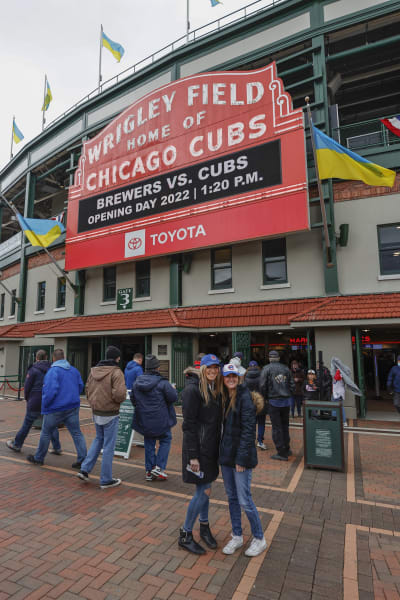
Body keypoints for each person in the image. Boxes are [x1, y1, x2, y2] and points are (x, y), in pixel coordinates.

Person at [219, 363, 267, 558]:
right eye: (227, 376)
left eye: (233, 376)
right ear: (224, 379)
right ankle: (237, 535)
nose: (231, 379)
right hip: (226, 457)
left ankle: (259, 538)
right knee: (231, 498)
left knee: (245, 500)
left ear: (238, 378)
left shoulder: (244, 398)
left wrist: (242, 458)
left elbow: (249, 431)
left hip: (240, 458)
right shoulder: (223, 397)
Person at [179, 354, 222, 555]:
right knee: (202, 490)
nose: (213, 371)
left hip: (210, 449)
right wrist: (192, 456)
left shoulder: (212, 388)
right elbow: (188, 426)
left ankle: (204, 526)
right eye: (210, 367)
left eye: (216, 367)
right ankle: (185, 533)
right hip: (198, 451)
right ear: (202, 368)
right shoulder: (192, 391)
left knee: (207, 489)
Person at [26, 349, 87, 468]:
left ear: (53, 358)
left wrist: (46, 405)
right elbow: (80, 386)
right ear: (64, 357)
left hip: (55, 408)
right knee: (76, 433)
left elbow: (50, 391)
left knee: (46, 433)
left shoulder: (53, 371)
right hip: (72, 406)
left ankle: (39, 458)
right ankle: (83, 458)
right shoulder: (74, 370)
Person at [77, 346, 126, 489]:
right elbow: (120, 394)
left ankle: (85, 469)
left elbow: (87, 389)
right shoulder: (116, 372)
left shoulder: (93, 371)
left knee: (98, 439)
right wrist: (115, 401)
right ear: (117, 358)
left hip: (96, 411)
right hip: (110, 413)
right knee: (109, 446)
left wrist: (93, 402)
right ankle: (105, 479)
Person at [131, 354, 177, 481]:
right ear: (157, 368)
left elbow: (133, 400)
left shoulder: (137, 383)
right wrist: (173, 389)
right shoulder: (163, 383)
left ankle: (149, 471)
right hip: (161, 419)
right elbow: (174, 398)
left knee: (149, 443)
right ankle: (159, 467)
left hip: (144, 419)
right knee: (166, 439)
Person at [6, 350, 62, 455]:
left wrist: (28, 399)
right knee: (52, 424)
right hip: (48, 400)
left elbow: (27, 387)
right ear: (46, 357)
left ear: (36, 358)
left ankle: (17, 444)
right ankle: (57, 447)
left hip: (35, 400)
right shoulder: (52, 369)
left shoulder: (33, 370)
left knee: (27, 424)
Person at [260, 350, 295, 461]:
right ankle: (287, 448)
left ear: (270, 358)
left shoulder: (266, 369)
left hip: (273, 401)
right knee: (285, 426)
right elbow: (292, 385)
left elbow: (262, 385)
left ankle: (281, 452)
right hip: (286, 401)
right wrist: (288, 394)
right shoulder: (286, 368)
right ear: (278, 358)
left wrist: (265, 398)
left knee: (277, 428)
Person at [244, 360, 267, 450]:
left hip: (250, 402)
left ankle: (251, 441)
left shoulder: (245, 376)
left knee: (251, 423)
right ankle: (260, 441)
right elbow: (265, 389)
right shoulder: (262, 375)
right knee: (261, 423)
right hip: (261, 402)